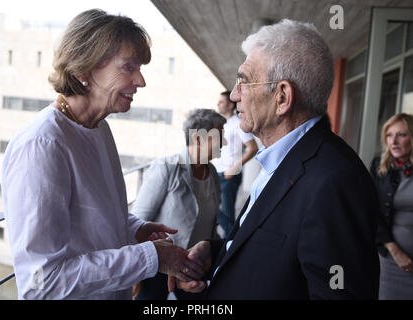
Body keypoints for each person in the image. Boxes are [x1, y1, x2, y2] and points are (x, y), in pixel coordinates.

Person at [170, 19, 380, 299]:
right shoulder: (284, 157)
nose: (234, 95)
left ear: (282, 97)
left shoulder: (335, 182)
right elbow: (279, 252)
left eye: (243, 81)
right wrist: (218, 251)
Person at [1, 9, 203, 300]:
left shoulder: (98, 128)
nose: (141, 81)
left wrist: (135, 230)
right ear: (84, 70)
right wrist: (150, 258)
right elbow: (41, 284)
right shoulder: (42, 145)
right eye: (128, 67)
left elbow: (92, 219)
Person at [131, 108, 225, 300]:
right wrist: (135, 276)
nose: (225, 142)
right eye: (219, 137)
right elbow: (138, 222)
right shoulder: (167, 167)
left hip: (194, 267)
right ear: (199, 139)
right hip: (159, 267)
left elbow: (210, 223)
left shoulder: (213, 173)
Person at [370, 113, 413, 300]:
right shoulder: (380, 167)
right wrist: (396, 252)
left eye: (401, 135)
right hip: (392, 259)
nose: (394, 141)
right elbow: (372, 212)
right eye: (389, 135)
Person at [212, 91, 258, 238]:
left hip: (229, 175)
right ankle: (231, 238)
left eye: (221, 101)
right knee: (210, 208)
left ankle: (230, 244)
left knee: (227, 213)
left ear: (231, 105)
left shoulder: (238, 123)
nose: (218, 104)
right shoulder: (219, 124)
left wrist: (235, 167)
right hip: (215, 172)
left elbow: (253, 148)